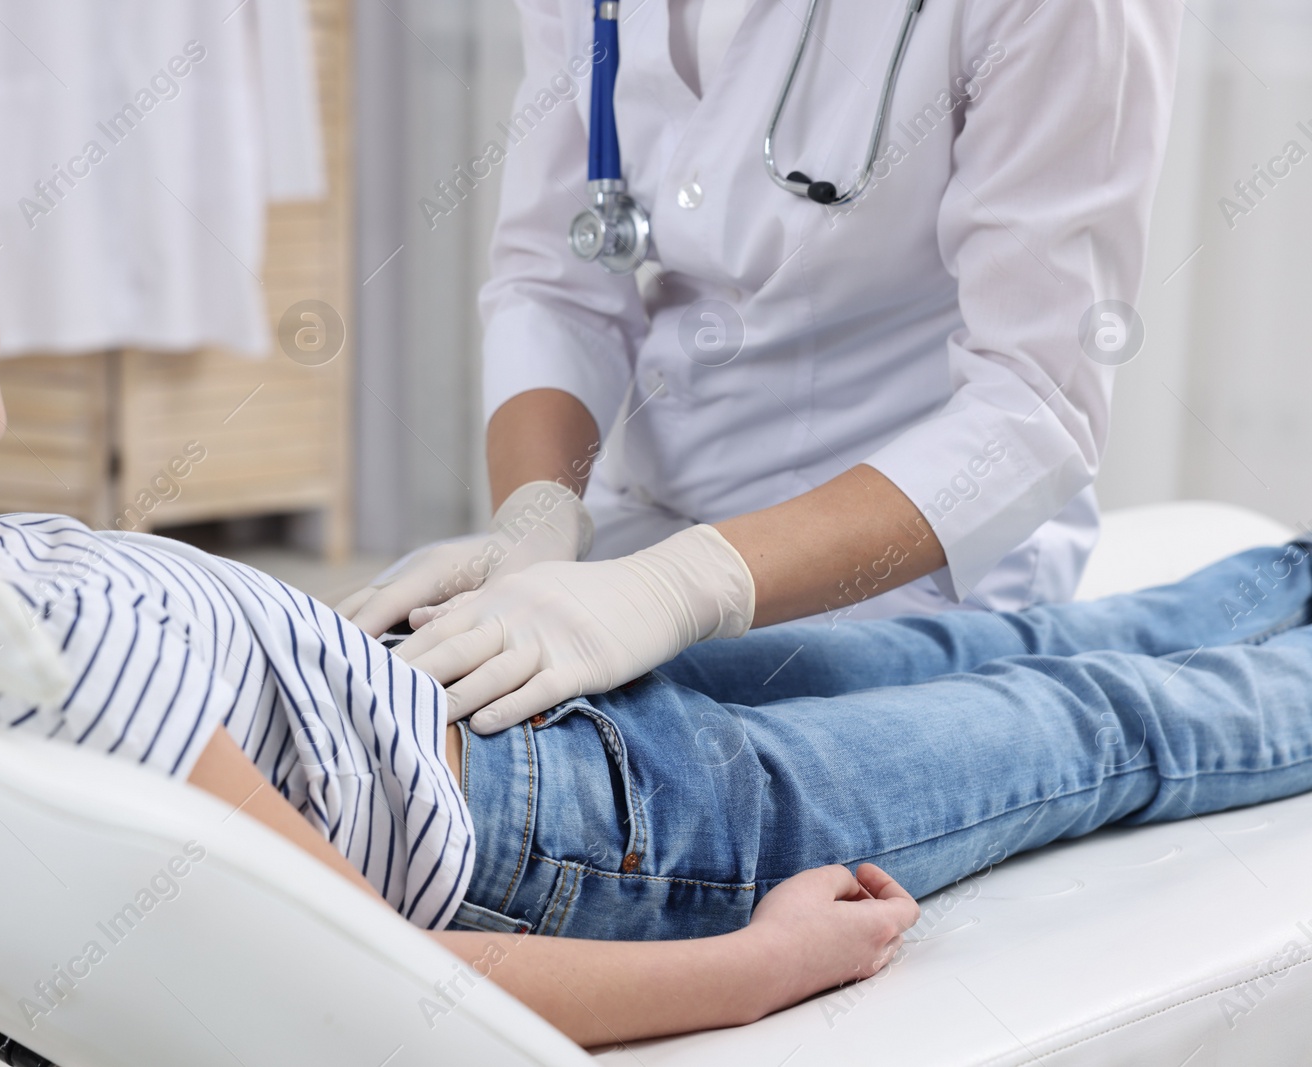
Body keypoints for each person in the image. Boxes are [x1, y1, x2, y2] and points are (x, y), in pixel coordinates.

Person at [0, 58, 1312, 1051]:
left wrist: (564, 573)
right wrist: (753, 968)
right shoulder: (14, 665)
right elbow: (385, 973)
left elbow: (1032, 401)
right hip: (612, 834)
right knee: (1092, 729)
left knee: (1003, 648)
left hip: (535, 713)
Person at [338, 0, 1187, 737]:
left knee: (572, 781)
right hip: (651, 526)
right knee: (373, 688)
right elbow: (553, 282)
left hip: (909, 576)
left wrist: (687, 586)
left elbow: (1036, 404)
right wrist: (532, 524)